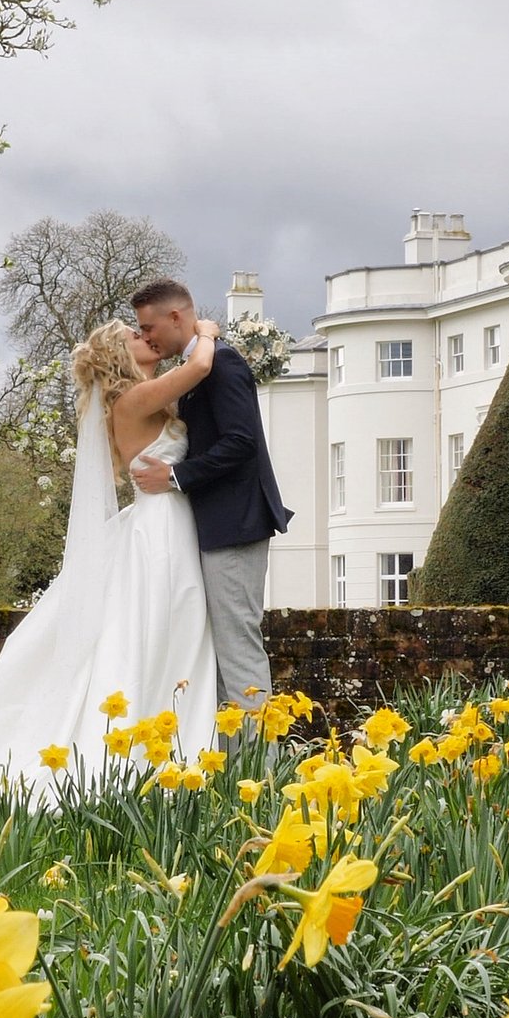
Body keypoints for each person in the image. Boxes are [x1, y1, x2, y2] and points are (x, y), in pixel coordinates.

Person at [0, 312, 227, 809]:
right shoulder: (132, 400)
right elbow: (197, 369)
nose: (145, 335)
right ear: (119, 357)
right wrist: (208, 333)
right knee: (165, 628)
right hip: (159, 530)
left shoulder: (149, 397)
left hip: (170, 521)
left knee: (176, 632)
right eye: (135, 335)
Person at [127, 277, 293, 715]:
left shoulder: (222, 362)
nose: (146, 336)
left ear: (176, 316)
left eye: (148, 327)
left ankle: (259, 771)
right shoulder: (198, 364)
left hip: (235, 526)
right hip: (214, 526)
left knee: (238, 649)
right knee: (219, 652)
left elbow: (241, 442)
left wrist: (176, 476)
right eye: (139, 331)